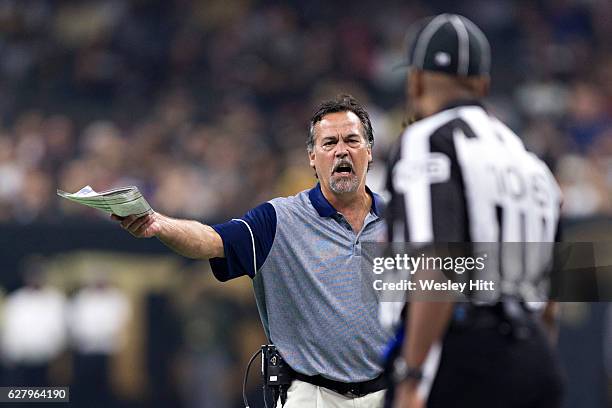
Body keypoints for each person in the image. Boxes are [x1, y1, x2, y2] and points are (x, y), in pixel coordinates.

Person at [114, 95, 391, 407]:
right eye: (329, 143)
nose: (341, 150)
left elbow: (444, 296)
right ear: (312, 157)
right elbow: (210, 239)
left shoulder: (404, 219)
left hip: (388, 392)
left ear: (369, 151)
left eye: (352, 140)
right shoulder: (278, 219)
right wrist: (158, 223)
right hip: (313, 396)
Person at [382, 14, 564, 408]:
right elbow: (552, 303)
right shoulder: (532, 163)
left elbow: (438, 260)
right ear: (482, 84)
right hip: (536, 359)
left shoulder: (427, 139)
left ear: (415, 80)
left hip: (463, 353)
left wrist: (412, 375)